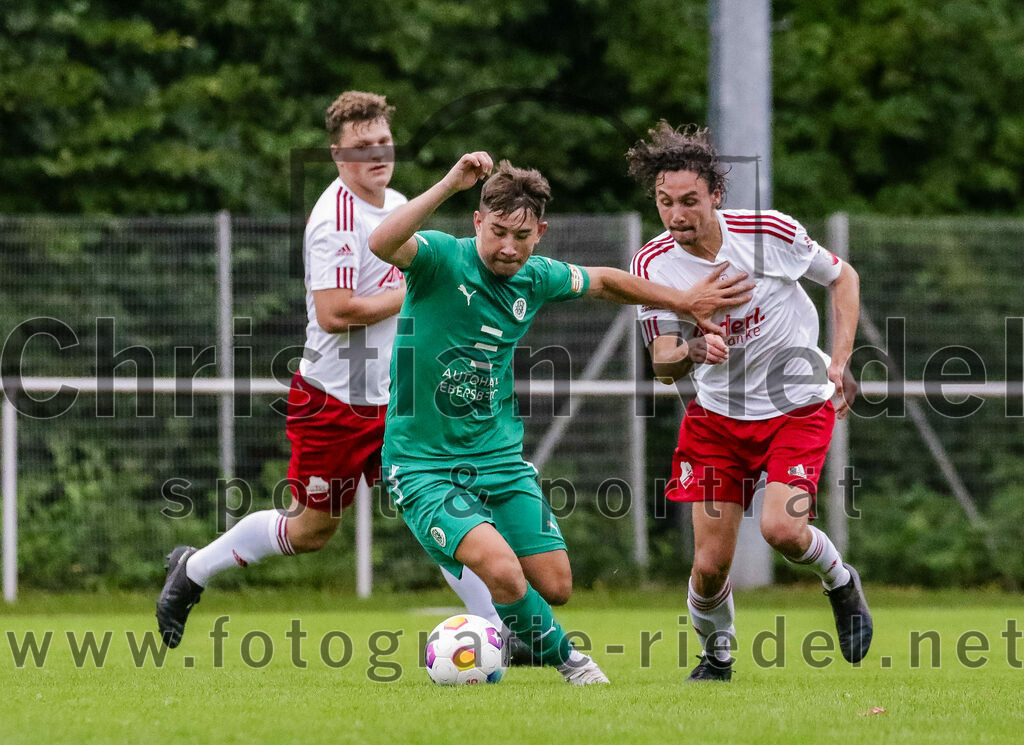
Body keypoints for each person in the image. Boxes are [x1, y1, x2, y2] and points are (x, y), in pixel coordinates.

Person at [368, 152, 754, 684]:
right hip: (423, 464)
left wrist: (685, 302)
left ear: (540, 233)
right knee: (502, 571)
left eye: (521, 236)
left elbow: (608, 282)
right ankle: (574, 664)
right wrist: (450, 184)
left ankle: (515, 633)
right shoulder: (440, 259)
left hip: (498, 458)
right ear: (478, 221)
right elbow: (382, 243)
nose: (508, 247)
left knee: (554, 585)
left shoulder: (537, 276)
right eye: (497, 231)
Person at [156, 91, 508, 650]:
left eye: (383, 142)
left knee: (438, 511)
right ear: (337, 155)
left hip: (395, 401)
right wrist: (414, 290)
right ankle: (193, 569)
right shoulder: (335, 218)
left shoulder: (393, 201)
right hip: (335, 403)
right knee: (311, 530)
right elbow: (335, 312)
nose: (376, 154)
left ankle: (512, 632)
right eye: (361, 147)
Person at [625, 121, 872, 681]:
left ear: (715, 195)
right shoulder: (653, 265)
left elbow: (843, 277)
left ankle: (840, 581)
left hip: (794, 405)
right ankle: (717, 659)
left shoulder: (767, 233)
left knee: (782, 531)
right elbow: (663, 364)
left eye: (689, 200)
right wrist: (692, 347)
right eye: (664, 202)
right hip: (716, 421)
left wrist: (838, 361)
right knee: (709, 566)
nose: (676, 215)